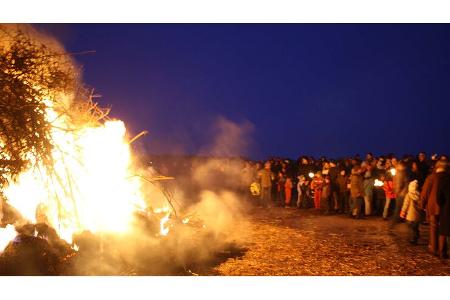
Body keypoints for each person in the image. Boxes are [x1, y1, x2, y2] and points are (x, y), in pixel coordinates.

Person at [420, 160, 448, 257]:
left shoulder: (431, 177)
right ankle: (442, 251)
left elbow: (425, 192)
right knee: (443, 229)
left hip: (433, 206)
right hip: (445, 207)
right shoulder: (447, 177)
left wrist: (422, 205)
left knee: (433, 227)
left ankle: (433, 248)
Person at [400, 180, 423, 244]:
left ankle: (414, 239)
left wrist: (403, 211)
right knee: (415, 226)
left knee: (411, 227)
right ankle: (416, 234)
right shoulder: (419, 194)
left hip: (410, 215)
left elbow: (406, 204)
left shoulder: (408, 195)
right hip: (418, 215)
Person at [437, 166, 450, 259]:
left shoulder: (444, 180)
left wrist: (442, 205)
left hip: (446, 208)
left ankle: (442, 252)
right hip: (446, 207)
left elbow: (439, 198)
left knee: (443, 231)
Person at [391, 161, 409, 226]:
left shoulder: (400, 173)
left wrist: (397, 191)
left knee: (399, 208)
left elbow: (399, 183)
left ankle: (395, 221)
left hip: (400, 193)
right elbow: (399, 183)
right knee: (399, 208)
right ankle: (394, 222)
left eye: (398, 165)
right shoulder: (402, 173)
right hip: (402, 193)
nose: (397, 166)